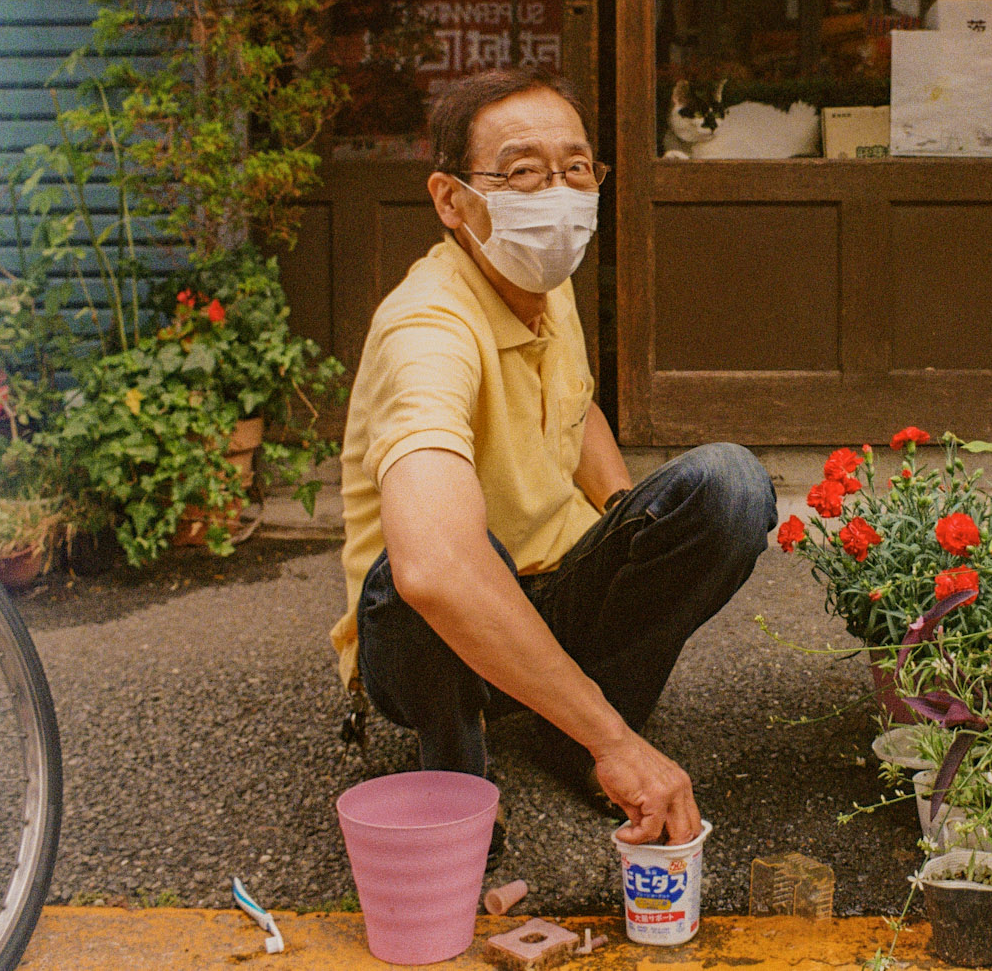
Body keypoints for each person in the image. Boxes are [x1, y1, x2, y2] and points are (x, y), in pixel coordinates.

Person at [329, 63, 776, 845]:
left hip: (558, 593)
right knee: (434, 567)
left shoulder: (546, 281)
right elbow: (434, 568)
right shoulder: (426, 328)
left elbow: (578, 405)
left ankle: (578, 724)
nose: (557, 196)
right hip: (427, 641)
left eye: (575, 169)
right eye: (525, 173)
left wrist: (629, 530)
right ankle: (460, 772)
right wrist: (621, 744)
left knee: (729, 486)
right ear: (450, 198)